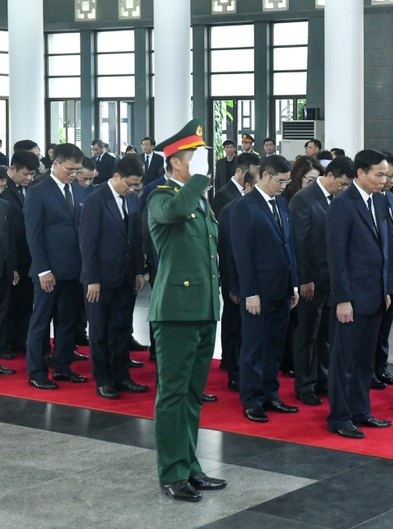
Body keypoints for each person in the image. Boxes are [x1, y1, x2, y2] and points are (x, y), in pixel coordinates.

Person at [146, 119, 226, 502]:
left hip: (204, 309)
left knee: (194, 394)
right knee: (173, 395)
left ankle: (190, 465)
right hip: (175, 310)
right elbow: (176, 212)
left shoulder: (197, 198)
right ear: (175, 160)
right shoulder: (160, 196)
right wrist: (197, 184)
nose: (196, 163)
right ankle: (172, 471)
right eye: (191, 156)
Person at [325, 149, 393, 439]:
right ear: (361, 173)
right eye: (379, 174)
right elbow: (336, 256)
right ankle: (340, 416)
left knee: (366, 360)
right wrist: (343, 298)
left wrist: (386, 287)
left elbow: (385, 249)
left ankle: (360, 410)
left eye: (387, 175)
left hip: (375, 295)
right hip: (351, 299)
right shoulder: (343, 204)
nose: (384, 180)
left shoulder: (379, 201)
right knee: (345, 361)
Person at [231, 154, 300, 423]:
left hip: (281, 289)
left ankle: (271, 394)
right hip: (257, 291)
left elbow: (289, 246)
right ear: (266, 176)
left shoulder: (282, 203)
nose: (284, 186)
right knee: (254, 347)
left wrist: (293, 283)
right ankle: (252, 399)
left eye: (288, 181)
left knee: (274, 346)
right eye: (281, 181)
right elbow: (242, 254)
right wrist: (250, 292)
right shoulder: (244, 207)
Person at [79, 155, 147, 399]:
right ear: (116, 177)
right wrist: (92, 279)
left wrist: (139, 270)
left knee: (121, 328)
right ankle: (104, 379)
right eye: (129, 184)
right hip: (100, 280)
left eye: (137, 185)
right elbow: (88, 243)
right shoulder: (95, 200)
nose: (133, 189)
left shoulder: (132, 200)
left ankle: (122, 376)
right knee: (99, 330)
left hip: (126, 277)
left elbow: (136, 238)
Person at [290, 156, 353, 406]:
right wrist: (304, 279)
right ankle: (304, 384)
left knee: (326, 332)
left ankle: (323, 377)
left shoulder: (338, 200)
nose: (345, 188)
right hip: (312, 280)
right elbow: (300, 243)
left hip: (332, 280)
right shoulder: (304, 199)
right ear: (329, 177)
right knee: (307, 332)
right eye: (343, 183)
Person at [25, 143, 87, 389]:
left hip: (73, 269)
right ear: (56, 164)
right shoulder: (38, 191)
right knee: (41, 321)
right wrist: (43, 270)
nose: (74, 175)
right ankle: (37, 372)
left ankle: (62, 367)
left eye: (77, 170)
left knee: (69, 321)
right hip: (48, 271)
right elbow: (34, 235)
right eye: (70, 170)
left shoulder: (79, 191)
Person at [217, 168, 258, 392]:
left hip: (254, 282)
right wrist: (231, 284)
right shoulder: (231, 210)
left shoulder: (265, 207)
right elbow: (227, 250)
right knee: (234, 325)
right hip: (235, 281)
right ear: (249, 187)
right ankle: (232, 369)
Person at [2, 151, 37, 359]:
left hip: (28, 255)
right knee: (8, 302)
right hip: (9, 255)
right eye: (25, 173)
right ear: (12, 169)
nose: (29, 178)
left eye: (32, 174)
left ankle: (20, 339)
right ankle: (4, 342)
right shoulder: (3, 190)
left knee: (25, 300)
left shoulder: (31, 189)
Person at [373, 153, 393, 388]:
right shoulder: (371, 200)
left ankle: (381, 367)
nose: (391, 180)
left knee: (386, 324)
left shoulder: (390, 197)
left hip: (391, 270)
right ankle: (370, 369)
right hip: (374, 274)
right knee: (372, 327)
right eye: (387, 175)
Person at [0, 169, 17, 374]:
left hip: (4, 268)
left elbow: (9, 241)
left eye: (4, 186)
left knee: (3, 312)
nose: (2, 190)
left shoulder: (5, 206)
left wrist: (13, 268)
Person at [211, 152, 260, 217]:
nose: (255, 178)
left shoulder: (253, 190)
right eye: (252, 174)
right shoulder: (223, 195)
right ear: (238, 171)